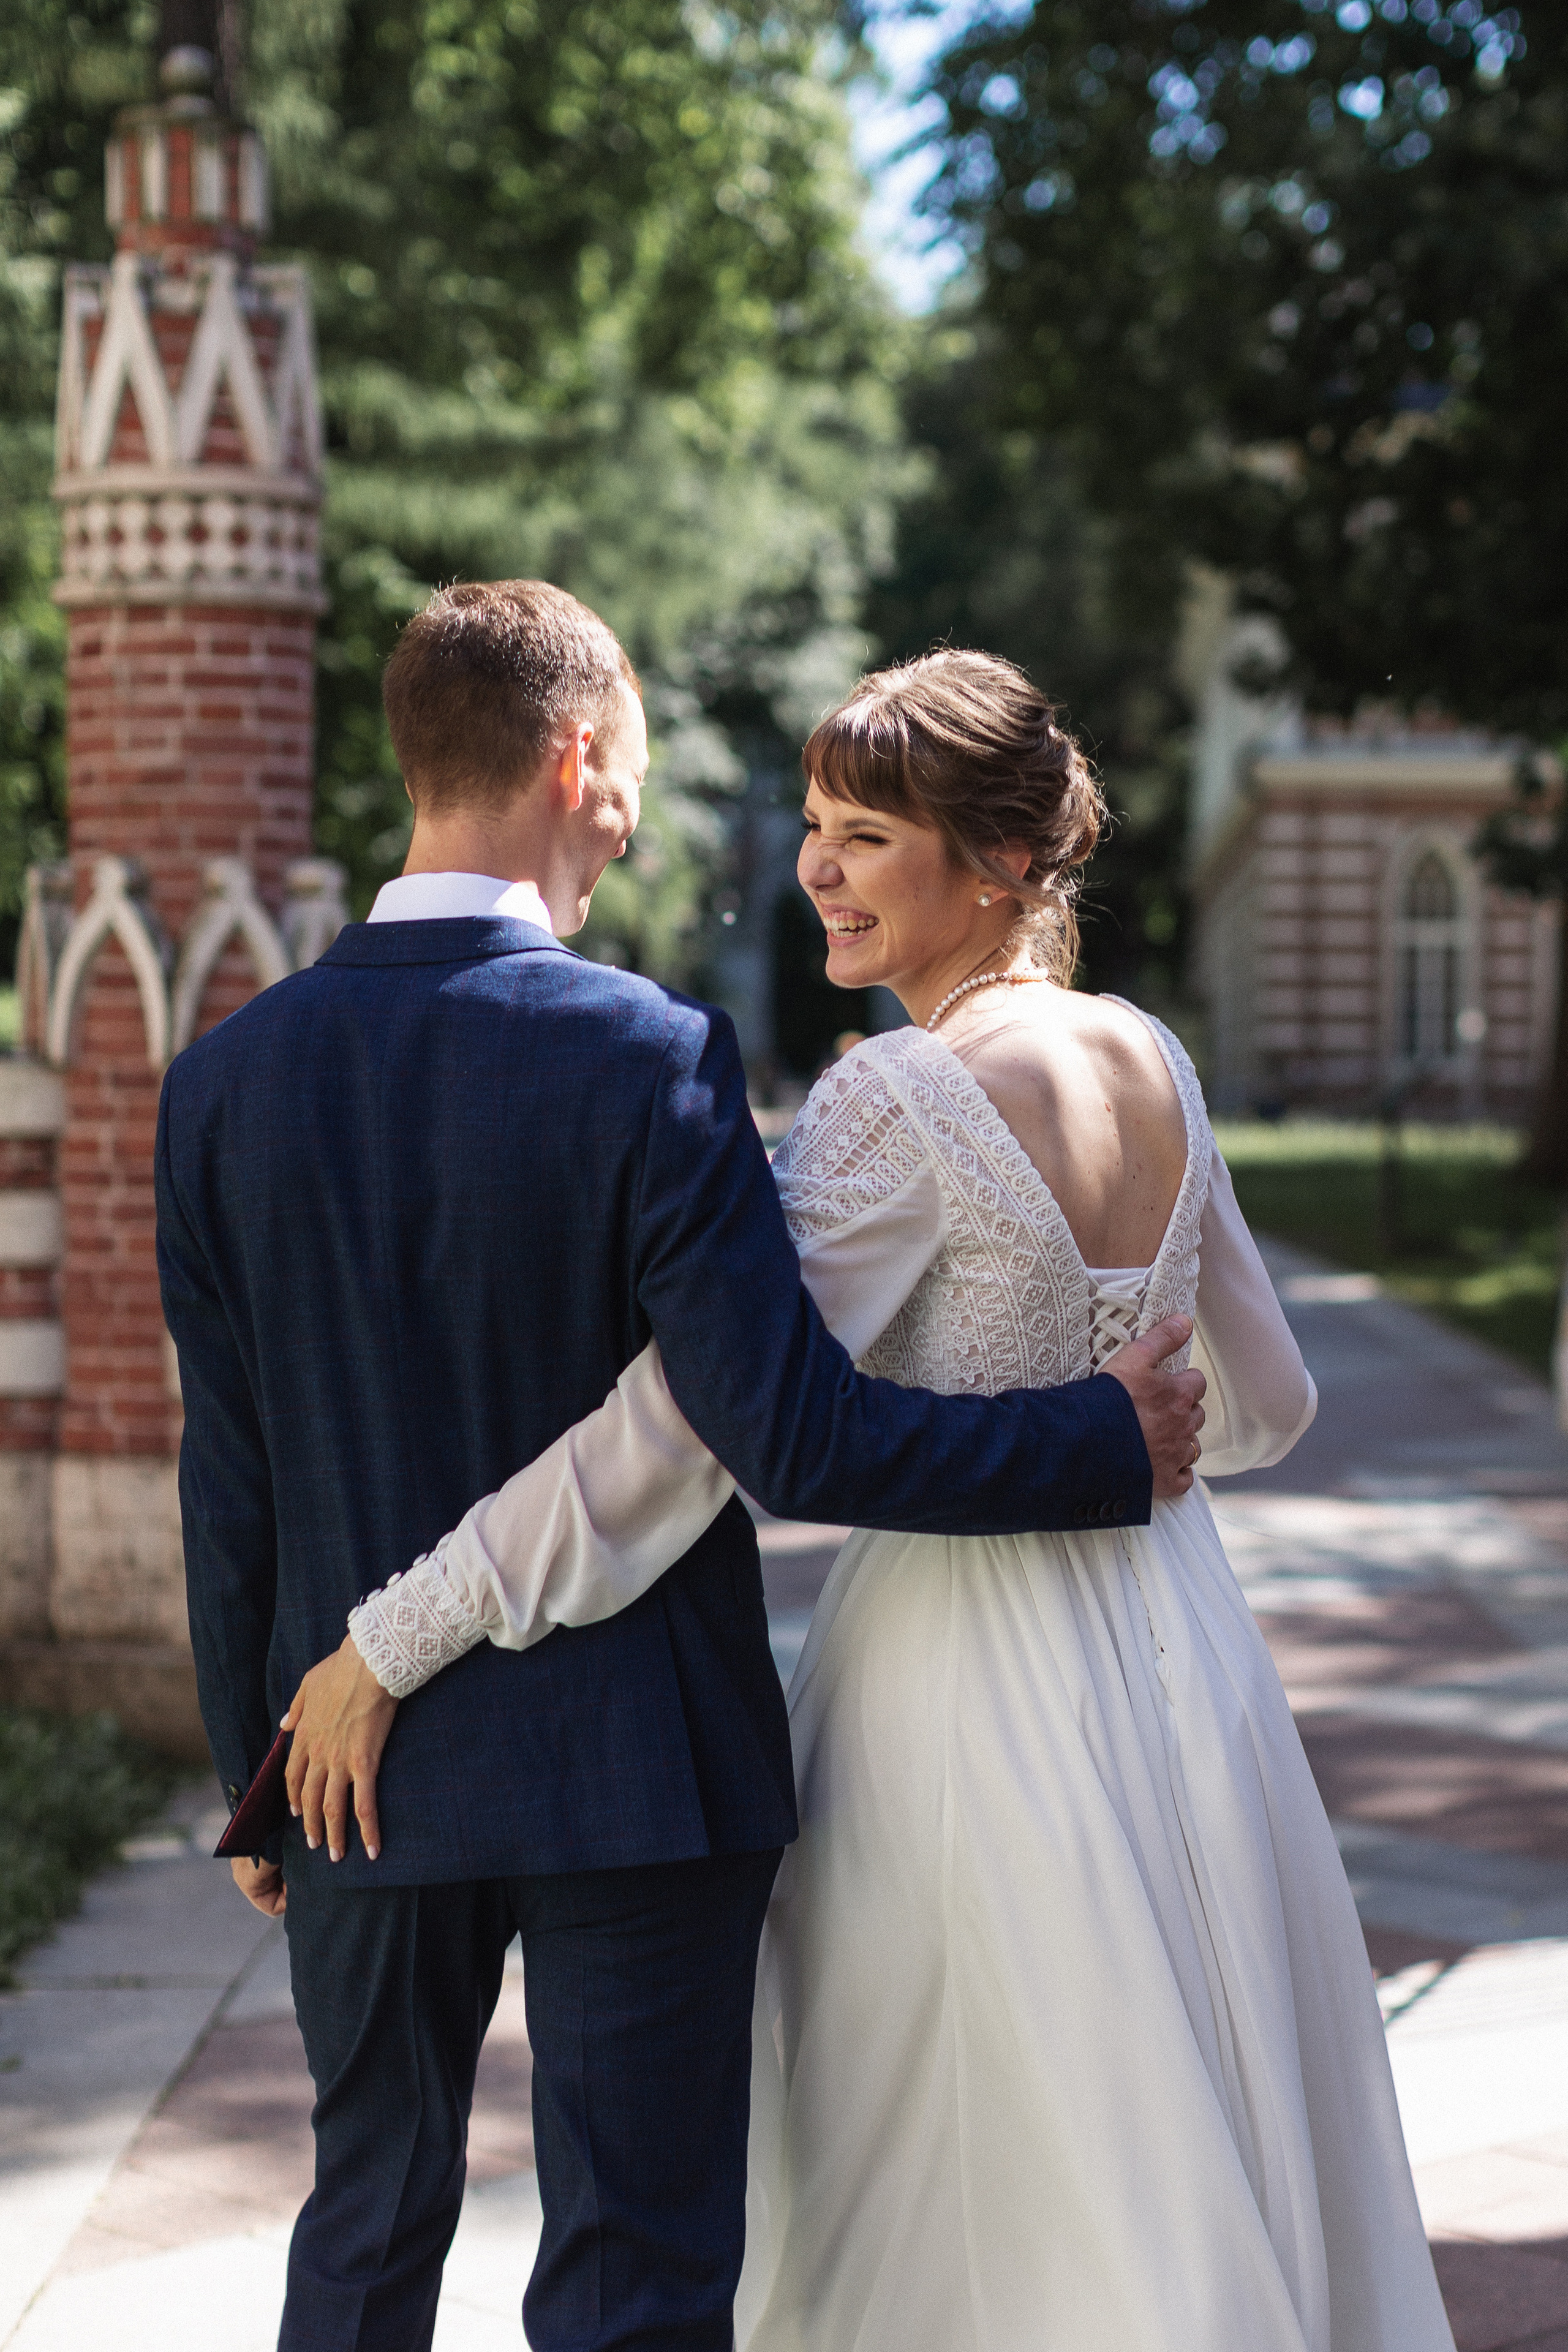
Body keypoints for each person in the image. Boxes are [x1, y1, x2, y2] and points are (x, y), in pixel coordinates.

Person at [294, 649, 1455, 2351]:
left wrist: (402, 1629)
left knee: (941, 2164)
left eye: (864, 834)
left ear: (990, 865)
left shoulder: (895, 1098)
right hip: (1187, 1661)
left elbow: (686, 1433)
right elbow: (1266, 1410)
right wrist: (1113, 1420)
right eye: (817, 827)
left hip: (959, 1694)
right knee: (1169, 2114)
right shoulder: (1151, 1055)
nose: (815, 867)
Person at [154, 586, 1205, 2352]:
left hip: (353, 1768)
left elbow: (231, 1465)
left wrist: (252, 1753)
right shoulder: (656, 1059)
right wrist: (1096, 1437)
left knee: (364, 2229)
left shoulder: (221, 1082)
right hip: (642, 1775)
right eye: (634, 760)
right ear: (581, 764)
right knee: (640, 2279)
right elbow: (784, 1430)